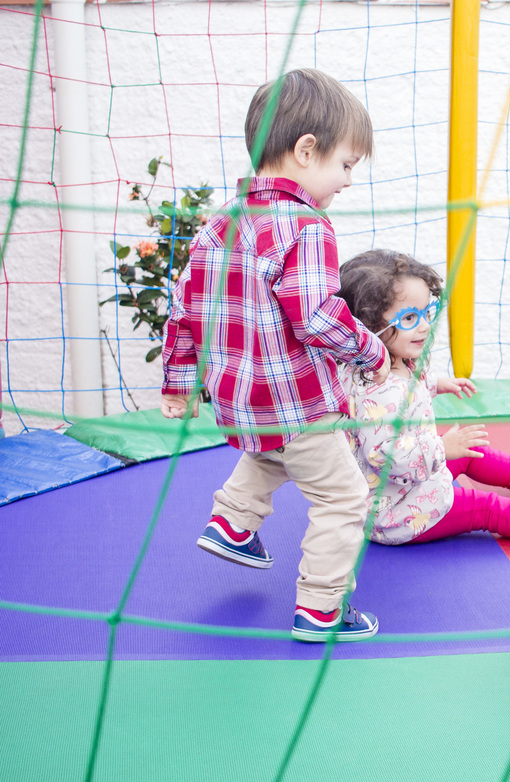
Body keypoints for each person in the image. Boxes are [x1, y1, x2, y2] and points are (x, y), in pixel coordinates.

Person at [161, 68, 391, 642]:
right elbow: (314, 316)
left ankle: (232, 524)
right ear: (306, 150)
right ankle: (321, 609)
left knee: (273, 454)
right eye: (345, 165)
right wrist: (369, 350)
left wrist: (180, 381)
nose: (345, 182)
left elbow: (185, 306)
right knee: (343, 495)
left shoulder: (218, 225)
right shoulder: (307, 225)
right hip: (298, 403)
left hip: (242, 401)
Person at [335, 249, 510, 544]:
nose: (424, 326)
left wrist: (436, 383)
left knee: (471, 452)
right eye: (410, 318)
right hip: (396, 514)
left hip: (407, 483)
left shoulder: (380, 363)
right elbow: (387, 456)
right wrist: (443, 449)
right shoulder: (382, 393)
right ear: (370, 327)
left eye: (426, 313)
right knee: (485, 508)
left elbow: (404, 393)